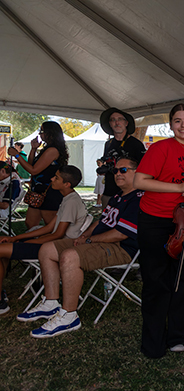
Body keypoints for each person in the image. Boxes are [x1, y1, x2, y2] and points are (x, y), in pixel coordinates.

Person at [17, 158, 143, 338]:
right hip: (99, 242)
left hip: (120, 248)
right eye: (115, 171)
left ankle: (69, 315)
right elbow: (101, 221)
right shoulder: (117, 196)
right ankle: (51, 303)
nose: (117, 174)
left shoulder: (139, 198)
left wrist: (90, 241)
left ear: (137, 172)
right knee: (47, 249)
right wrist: (84, 236)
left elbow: (120, 234)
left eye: (123, 170)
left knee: (70, 256)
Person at [133, 104, 184, 358]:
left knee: (181, 281)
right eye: (177, 121)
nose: (183, 125)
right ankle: (153, 342)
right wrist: (179, 189)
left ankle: (177, 335)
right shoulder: (160, 148)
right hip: (155, 221)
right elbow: (139, 181)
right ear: (171, 125)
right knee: (156, 282)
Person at [0, 166, 87, 315]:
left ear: (67, 184)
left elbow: (57, 235)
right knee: (4, 248)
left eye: (57, 178)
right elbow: (49, 228)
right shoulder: (67, 198)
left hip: (55, 248)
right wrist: (16, 238)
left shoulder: (72, 201)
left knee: (2, 250)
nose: (52, 179)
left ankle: (1, 303)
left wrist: (27, 242)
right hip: (49, 243)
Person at [8, 121, 69, 229]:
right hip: (38, 191)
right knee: (30, 223)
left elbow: (34, 170)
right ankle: (35, 243)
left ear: (50, 133)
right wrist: (33, 149)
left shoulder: (52, 150)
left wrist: (17, 154)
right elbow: (30, 164)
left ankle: (52, 244)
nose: (40, 134)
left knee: (50, 224)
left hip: (49, 191)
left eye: (42, 131)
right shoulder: (46, 148)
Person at [99, 107, 146, 210]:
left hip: (130, 193)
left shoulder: (136, 144)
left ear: (126, 123)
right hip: (109, 192)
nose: (117, 122)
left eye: (120, 119)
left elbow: (144, 169)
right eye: (113, 120)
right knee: (107, 222)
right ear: (110, 124)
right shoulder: (108, 144)